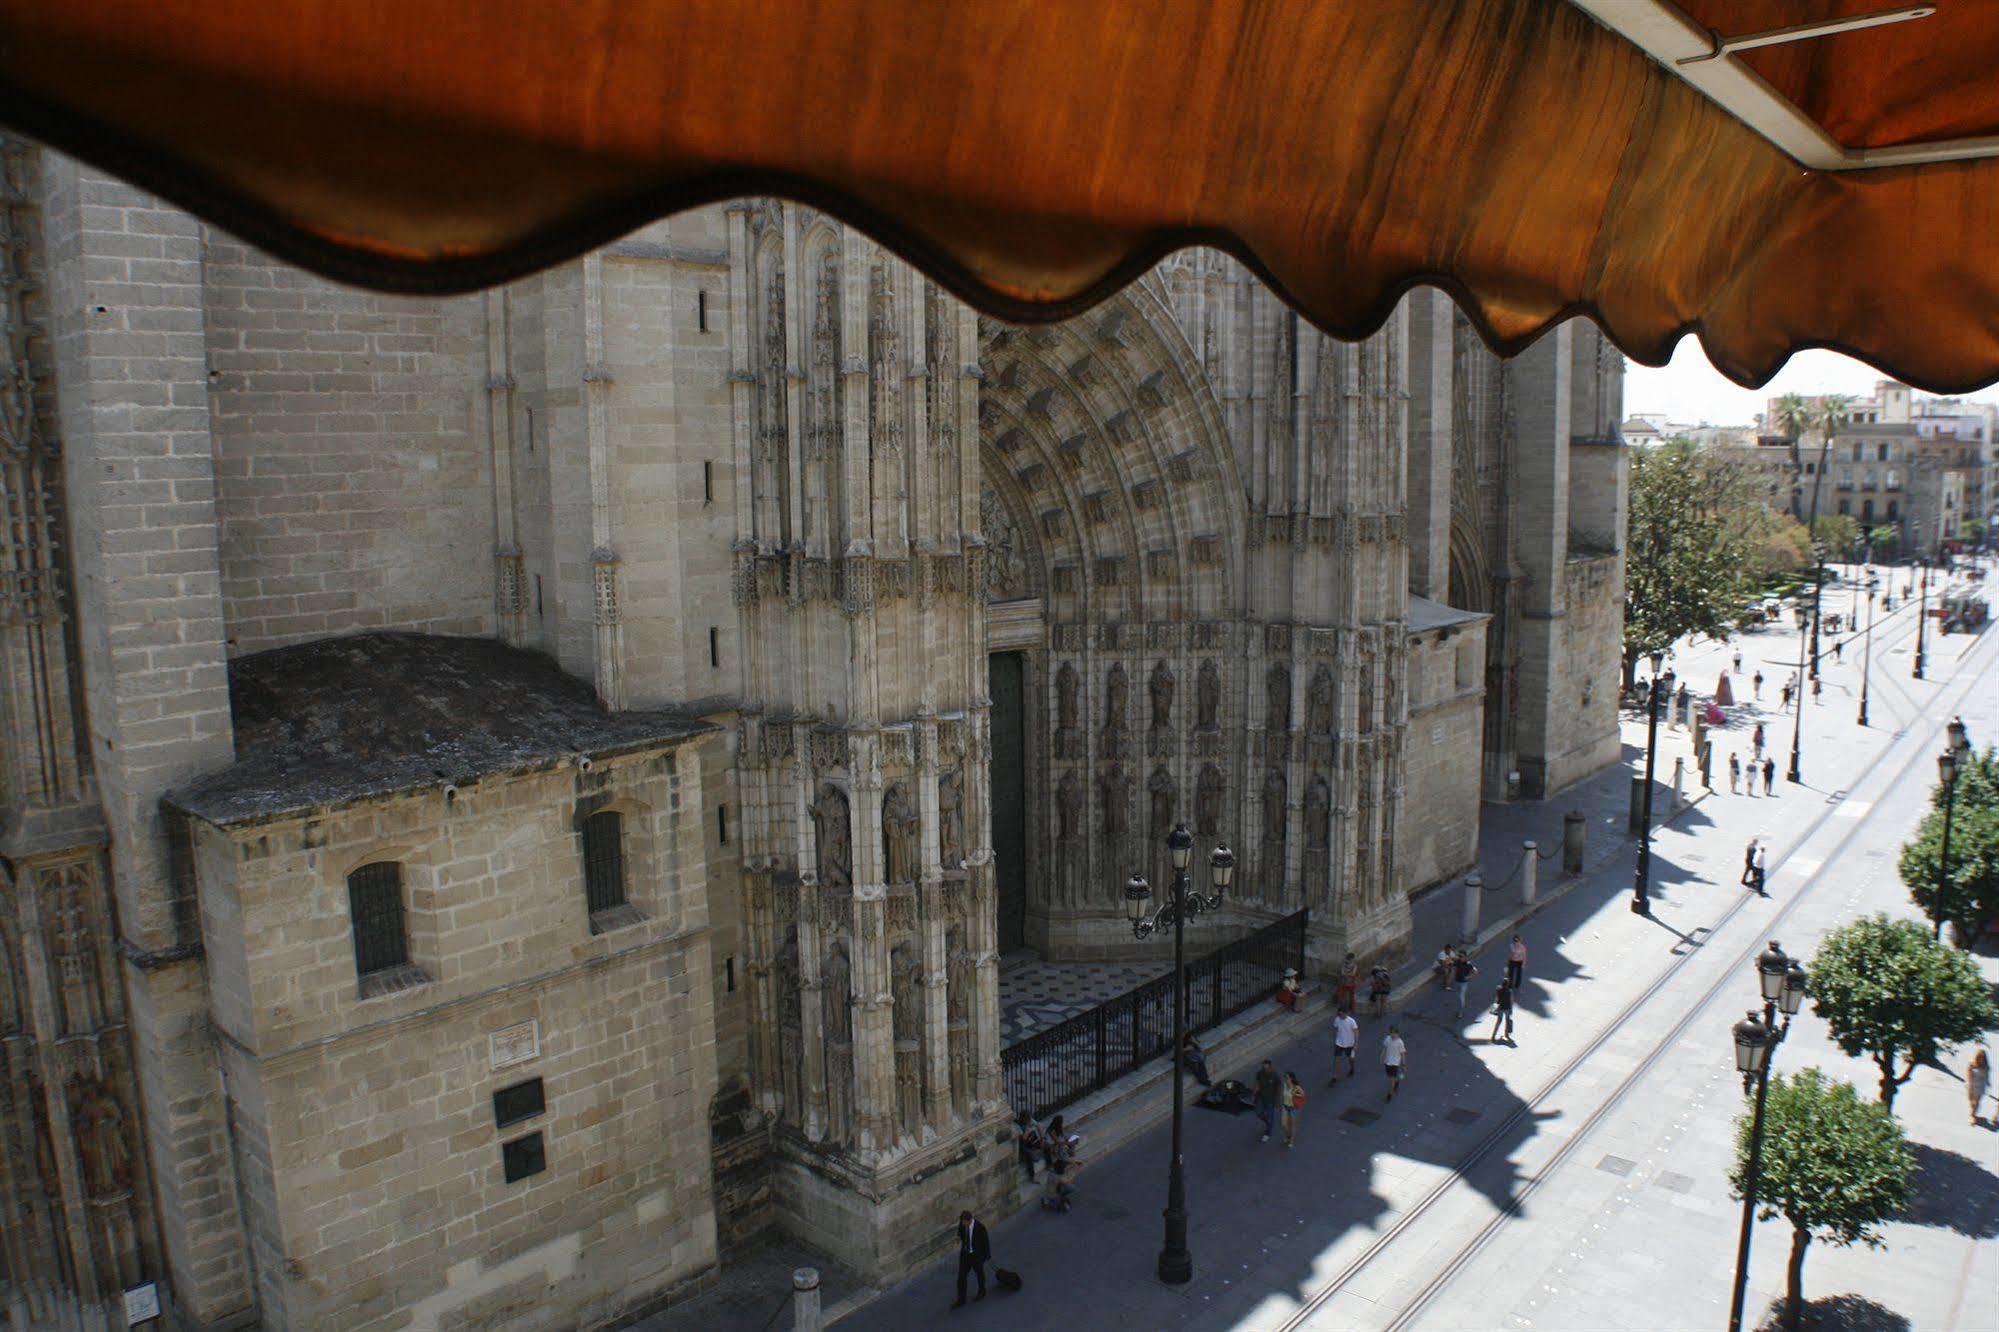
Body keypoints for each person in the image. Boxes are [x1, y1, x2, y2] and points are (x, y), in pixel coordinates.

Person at [952, 1210, 991, 1308]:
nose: (963, 1224)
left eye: (964, 1223)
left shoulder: (980, 1227)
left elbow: (985, 1243)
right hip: (965, 1255)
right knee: (961, 1277)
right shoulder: (962, 1225)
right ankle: (961, 1299)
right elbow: (961, 1234)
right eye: (962, 1222)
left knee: (979, 1274)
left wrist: (986, 1256)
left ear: (969, 1221)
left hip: (976, 1256)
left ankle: (982, 1291)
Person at [1253, 1059, 1282, 1143]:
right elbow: (1257, 1082)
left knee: (1270, 1117)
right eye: (1263, 1068)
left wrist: (1277, 1100)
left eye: (1266, 1068)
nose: (1264, 1070)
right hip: (1261, 1097)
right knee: (1258, 1113)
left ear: (1270, 1068)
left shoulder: (1275, 1075)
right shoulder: (1259, 1073)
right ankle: (1268, 1122)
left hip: (1270, 1100)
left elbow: (1279, 1087)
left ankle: (1268, 1133)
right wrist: (1255, 1090)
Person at [1329, 1009, 1359, 1083]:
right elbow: (1335, 1028)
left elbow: (1356, 1032)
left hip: (1349, 1044)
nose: (1340, 1016)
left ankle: (1352, 1068)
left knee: (1351, 1059)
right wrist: (1335, 1037)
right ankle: (1335, 1076)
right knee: (1336, 1060)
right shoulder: (1337, 1019)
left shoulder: (1351, 1021)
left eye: (1342, 1014)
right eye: (1339, 1014)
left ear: (1346, 1013)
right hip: (1339, 1043)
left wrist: (1355, 1043)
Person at [1014, 1111, 1044, 1182]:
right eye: (1027, 1119)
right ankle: (1032, 1177)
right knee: (1029, 1156)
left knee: (1046, 1145)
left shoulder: (1029, 1120)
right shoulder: (1017, 1125)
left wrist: (1042, 1139)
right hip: (1022, 1144)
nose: (1029, 1121)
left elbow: (1038, 1126)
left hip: (1030, 1141)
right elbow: (1023, 1138)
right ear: (1023, 1118)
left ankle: (1049, 1163)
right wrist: (1027, 1129)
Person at [1278, 1070, 1304, 1148]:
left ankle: (1291, 1140)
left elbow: (1303, 1096)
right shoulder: (1285, 1085)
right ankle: (1288, 1135)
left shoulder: (1296, 1087)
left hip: (1293, 1107)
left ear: (1291, 1078)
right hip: (1285, 1106)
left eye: (1287, 1077)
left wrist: (1295, 1093)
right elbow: (1283, 1095)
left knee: (1293, 1125)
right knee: (1283, 1124)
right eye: (1285, 1077)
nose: (1286, 1079)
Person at [1451, 950, 1479, 1018]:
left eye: (1461, 956)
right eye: (1459, 956)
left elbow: (1475, 971)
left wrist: (1468, 977)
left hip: (1463, 983)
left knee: (1461, 997)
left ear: (1465, 957)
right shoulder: (1457, 962)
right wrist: (1452, 975)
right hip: (1456, 981)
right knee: (1458, 996)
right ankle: (1460, 1008)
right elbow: (1453, 968)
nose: (1459, 957)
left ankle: (1461, 1012)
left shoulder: (1468, 964)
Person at [1382, 1026, 1406, 1101]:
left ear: (1397, 1033)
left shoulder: (1400, 1043)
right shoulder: (1387, 1039)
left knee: (1391, 1079)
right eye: (1391, 1033)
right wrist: (1382, 1055)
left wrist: (1404, 1065)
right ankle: (1396, 1081)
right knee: (1390, 1076)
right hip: (1387, 1062)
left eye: (1394, 1033)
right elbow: (1385, 1048)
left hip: (1395, 1063)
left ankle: (1390, 1094)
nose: (1393, 1035)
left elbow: (1403, 1054)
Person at [1968, 1048, 1991, 1126]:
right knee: (1971, 1100)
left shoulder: (1986, 1067)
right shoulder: (1972, 1064)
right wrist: (1969, 1082)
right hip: (1972, 1084)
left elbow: (1987, 1076)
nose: (1982, 1059)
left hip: (1981, 1085)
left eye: (1983, 1057)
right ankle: (1973, 1111)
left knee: (1977, 1101)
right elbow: (1968, 1073)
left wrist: (1988, 1082)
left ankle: (1973, 1114)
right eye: (1980, 1057)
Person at [1490, 980, 1515, 1045]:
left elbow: (1496, 999)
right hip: (1507, 1008)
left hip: (1500, 1008)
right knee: (1507, 1021)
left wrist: (1494, 1007)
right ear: (1507, 985)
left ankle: (1493, 1036)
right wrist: (1511, 1009)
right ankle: (1506, 1035)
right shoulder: (1510, 991)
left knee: (1498, 1021)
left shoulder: (1499, 989)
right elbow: (1511, 1001)